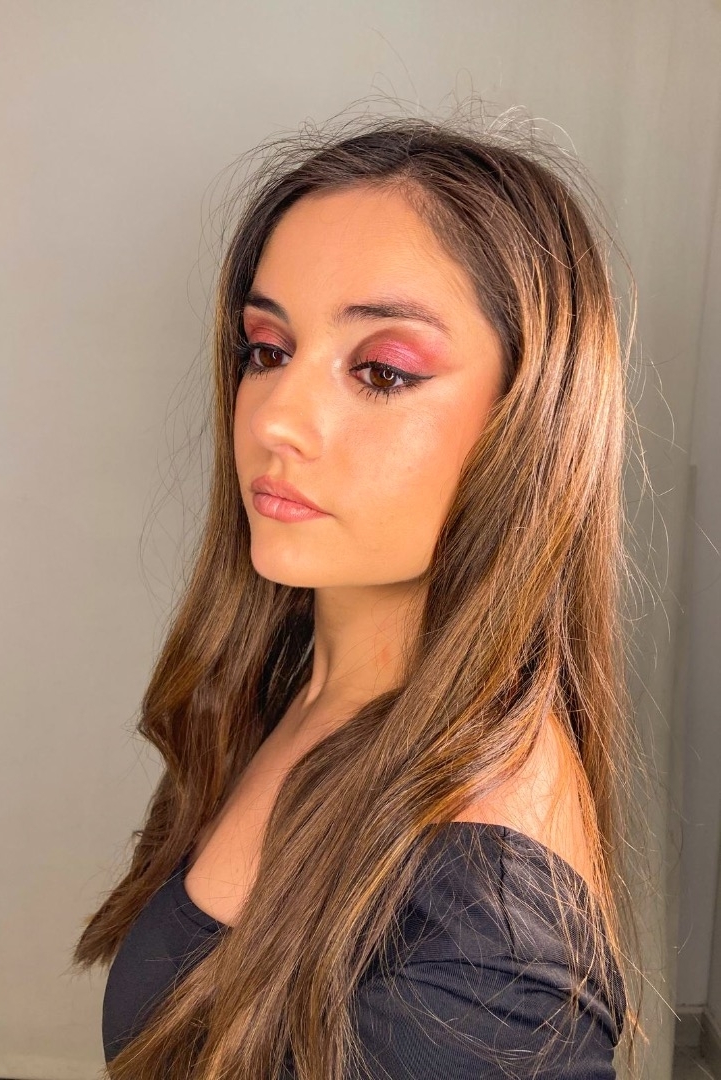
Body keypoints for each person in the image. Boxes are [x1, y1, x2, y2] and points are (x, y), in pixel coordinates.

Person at [72, 114, 640, 1079]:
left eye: (381, 371)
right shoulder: (294, 693)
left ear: (530, 423)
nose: (277, 419)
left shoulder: (486, 928)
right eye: (267, 350)